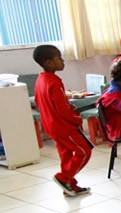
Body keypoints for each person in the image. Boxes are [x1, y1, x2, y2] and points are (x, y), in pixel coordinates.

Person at [32, 44, 93, 196]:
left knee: (66, 154)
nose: (62, 61)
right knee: (84, 151)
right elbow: (62, 110)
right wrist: (77, 119)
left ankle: (69, 185)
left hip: (51, 126)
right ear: (48, 63)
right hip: (63, 127)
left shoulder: (41, 79)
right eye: (59, 58)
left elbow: (40, 102)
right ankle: (63, 178)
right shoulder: (54, 82)